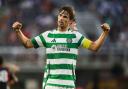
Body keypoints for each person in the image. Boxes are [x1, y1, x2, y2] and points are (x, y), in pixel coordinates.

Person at [12, 6, 110, 89]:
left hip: (68, 85)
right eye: (60, 15)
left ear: (70, 21)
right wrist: (18, 31)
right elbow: (27, 43)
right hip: (51, 85)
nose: (61, 18)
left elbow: (94, 47)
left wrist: (104, 33)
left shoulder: (76, 36)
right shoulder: (48, 35)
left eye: (65, 16)